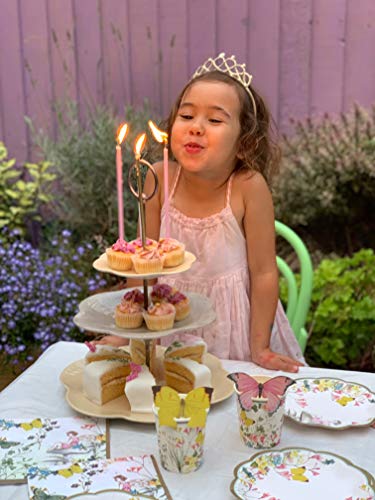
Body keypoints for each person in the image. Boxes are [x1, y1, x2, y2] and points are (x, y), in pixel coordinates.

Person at [97, 53, 305, 373]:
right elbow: (144, 266)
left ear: (244, 144)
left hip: (232, 332)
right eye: (187, 115)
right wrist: (125, 333)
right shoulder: (159, 177)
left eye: (215, 120)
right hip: (166, 326)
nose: (196, 127)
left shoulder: (249, 187)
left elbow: (264, 273)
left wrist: (260, 347)